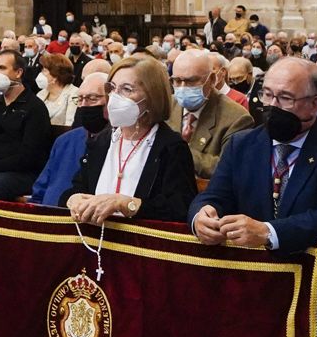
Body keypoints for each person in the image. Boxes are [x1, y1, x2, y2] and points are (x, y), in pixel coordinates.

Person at [190, 57, 317, 254]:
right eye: (267, 94)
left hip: (308, 269)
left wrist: (270, 233)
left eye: (285, 98)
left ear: (315, 105)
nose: (272, 106)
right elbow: (215, 195)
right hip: (245, 267)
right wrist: (201, 216)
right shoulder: (242, 144)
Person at [61, 56, 196, 224]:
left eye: (127, 89)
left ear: (151, 96)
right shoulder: (101, 141)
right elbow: (78, 187)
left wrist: (127, 204)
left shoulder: (171, 147)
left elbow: (179, 208)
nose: (115, 97)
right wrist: (73, 199)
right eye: (111, 88)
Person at [0, 48, 50, 199]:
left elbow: (29, 156)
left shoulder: (34, 107)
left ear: (18, 73)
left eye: (2, 68)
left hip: (22, 172)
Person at [169, 49, 251, 179]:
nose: (183, 87)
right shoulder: (166, 106)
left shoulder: (237, 118)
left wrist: (180, 151)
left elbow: (226, 168)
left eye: (192, 81)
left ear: (212, 79)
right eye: (177, 81)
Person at [32, 71, 109, 205]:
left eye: (92, 98)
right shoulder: (65, 141)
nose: (84, 105)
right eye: (80, 99)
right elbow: (41, 187)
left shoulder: (117, 143)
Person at [34, 52, 81, 126]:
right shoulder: (40, 94)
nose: (41, 74)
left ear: (55, 76)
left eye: (44, 71)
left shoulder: (74, 93)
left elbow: (70, 123)